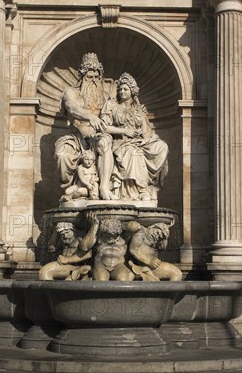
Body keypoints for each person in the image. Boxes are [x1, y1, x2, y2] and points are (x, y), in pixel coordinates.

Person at [99, 73, 169, 201]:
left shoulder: (139, 110)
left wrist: (146, 139)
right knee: (134, 152)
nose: (122, 92)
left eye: (125, 89)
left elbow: (147, 131)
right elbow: (103, 127)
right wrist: (125, 131)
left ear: (132, 91)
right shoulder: (111, 105)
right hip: (120, 142)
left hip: (138, 142)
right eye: (120, 89)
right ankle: (141, 190)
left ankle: (150, 187)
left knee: (162, 146)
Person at [55, 53, 115, 200]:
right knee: (62, 155)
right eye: (89, 77)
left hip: (98, 137)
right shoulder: (71, 92)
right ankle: (70, 186)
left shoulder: (106, 97)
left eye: (96, 77)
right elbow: (72, 108)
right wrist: (91, 116)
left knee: (104, 142)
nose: (93, 80)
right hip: (75, 137)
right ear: (82, 77)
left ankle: (104, 187)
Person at [80, 214, 133, 281]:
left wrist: (122, 225)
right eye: (107, 235)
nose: (111, 238)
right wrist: (94, 225)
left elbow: (134, 227)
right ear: (103, 232)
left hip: (119, 265)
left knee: (123, 279)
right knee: (101, 281)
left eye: (114, 235)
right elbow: (84, 247)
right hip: (101, 264)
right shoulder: (99, 239)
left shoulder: (124, 239)